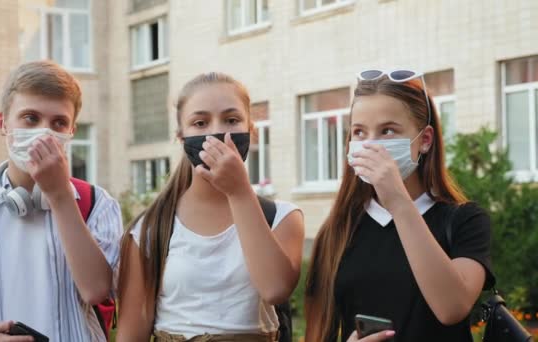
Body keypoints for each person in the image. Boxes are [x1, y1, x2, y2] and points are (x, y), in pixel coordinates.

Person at [0, 60, 122, 342]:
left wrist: (59, 196)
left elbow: (96, 291)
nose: (44, 132)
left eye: (59, 122)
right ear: (3, 123)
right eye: (30, 118)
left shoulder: (97, 204)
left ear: (71, 132)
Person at [304, 70, 495, 342]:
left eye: (388, 131)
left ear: (425, 140)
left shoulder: (464, 220)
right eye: (359, 132)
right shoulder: (338, 229)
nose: (370, 143)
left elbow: (452, 307)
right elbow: (316, 331)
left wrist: (398, 202)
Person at [116, 72, 305, 342]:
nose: (217, 132)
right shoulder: (151, 229)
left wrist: (238, 191)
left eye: (231, 120)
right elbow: (130, 333)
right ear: (181, 136)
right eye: (200, 122)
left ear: (251, 129)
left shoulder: (283, 217)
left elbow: (275, 288)